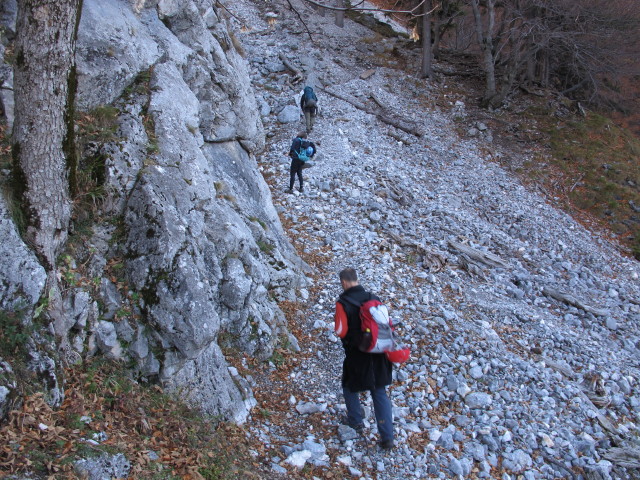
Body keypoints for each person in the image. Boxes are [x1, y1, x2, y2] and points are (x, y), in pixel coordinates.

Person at [334, 268, 395, 450]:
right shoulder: (373, 298)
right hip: (379, 352)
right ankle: (387, 437)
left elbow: (340, 331)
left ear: (344, 282)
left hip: (357, 354)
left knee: (349, 384)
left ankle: (355, 421)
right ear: (357, 280)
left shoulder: (342, 302)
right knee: (379, 391)